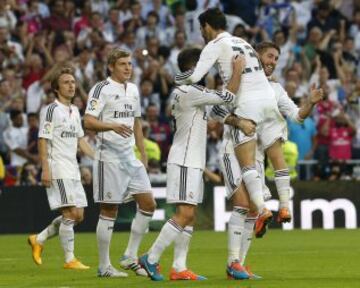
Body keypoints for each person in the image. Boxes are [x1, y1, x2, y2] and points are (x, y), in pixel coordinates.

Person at [139, 47, 254, 281]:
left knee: (189, 217)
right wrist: (238, 70)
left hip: (193, 161)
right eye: (204, 65)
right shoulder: (190, 91)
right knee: (185, 213)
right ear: (195, 69)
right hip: (184, 160)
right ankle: (150, 258)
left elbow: (213, 119)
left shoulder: (193, 94)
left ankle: (179, 268)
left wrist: (236, 121)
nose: (207, 69)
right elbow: (228, 97)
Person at [215, 41, 323, 279]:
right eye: (269, 56)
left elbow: (296, 116)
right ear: (255, 57)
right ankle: (233, 263)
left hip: (256, 157)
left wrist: (311, 103)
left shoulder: (275, 90)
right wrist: (239, 121)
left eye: (276, 58)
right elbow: (218, 112)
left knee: (253, 212)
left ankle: (238, 266)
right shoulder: (238, 81)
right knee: (243, 206)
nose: (272, 62)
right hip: (232, 150)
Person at [174, 7, 280, 241]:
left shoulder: (214, 45)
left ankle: (263, 209)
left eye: (202, 29)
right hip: (269, 103)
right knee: (257, 160)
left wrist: (175, 77)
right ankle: (268, 204)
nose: (202, 34)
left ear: (207, 27)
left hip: (247, 104)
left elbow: (192, 77)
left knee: (246, 165)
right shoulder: (243, 42)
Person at [84, 48, 156, 278]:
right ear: (111, 67)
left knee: (149, 204)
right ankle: (104, 266)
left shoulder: (133, 90)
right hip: (109, 158)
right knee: (109, 210)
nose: (128, 68)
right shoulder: (101, 89)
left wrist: (142, 154)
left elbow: (136, 122)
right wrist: (112, 126)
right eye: (123, 64)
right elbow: (88, 121)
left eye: (130, 64)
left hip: (130, 158)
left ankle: (129, 256)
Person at [28, 66, 94, 269]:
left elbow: (80, 141)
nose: (71, 85)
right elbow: (42, 140)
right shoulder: (50, 110)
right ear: (56, 88)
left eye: (73, 82)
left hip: (73, 168)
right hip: (58, 167)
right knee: (70, 213)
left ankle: (39, 239)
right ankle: (69, 259)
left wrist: (98, 158)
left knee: (79, 216)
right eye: (66, 82)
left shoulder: (75, 111)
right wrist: (45, 169)